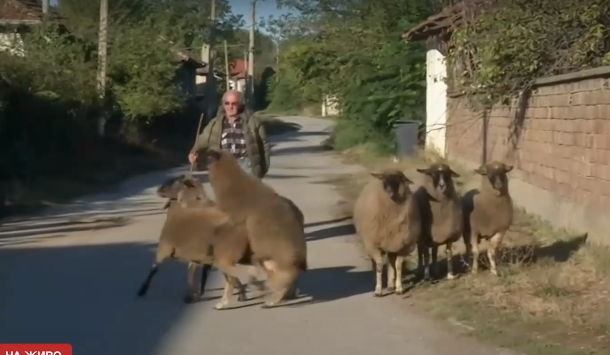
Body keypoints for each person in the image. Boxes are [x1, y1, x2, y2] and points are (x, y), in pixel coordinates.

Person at [188, 90, 270, 178]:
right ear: (223, 105)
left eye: (234, 103)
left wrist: (263, 169)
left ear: (240, 105)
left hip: (246, 165)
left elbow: (264, 145)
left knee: (245, 191)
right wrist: (194, 152)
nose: (230, 106)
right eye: (227, 103)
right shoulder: (215, 123)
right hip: (224, 166)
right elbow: (202, 140)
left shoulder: (252, 122)